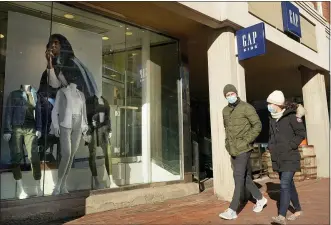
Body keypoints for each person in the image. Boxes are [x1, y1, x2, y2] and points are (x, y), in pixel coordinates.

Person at [219, 84, 267, 220]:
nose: (230, 96)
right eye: (227, 95)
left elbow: (257, 125)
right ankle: (260, 199)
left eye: (232, 93)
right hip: (232, 149)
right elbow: (227, 129)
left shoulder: (246, 107)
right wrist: (227, 144)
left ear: (236, 93)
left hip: (243, 149)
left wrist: (246, 141)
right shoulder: (225, 111)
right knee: (244, 177)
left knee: (238, 177)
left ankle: (232, 209)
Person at [266, 90, 306, 225]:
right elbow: (272, 136)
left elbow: (301, 133)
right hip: (278, 158)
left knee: (284, 184)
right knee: (289, 184)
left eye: (270, 103)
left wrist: (290, 145)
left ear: (277, 104)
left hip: (290, 156)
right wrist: (270, 147)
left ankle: (281, 216)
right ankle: (298, 210)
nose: (268, 105)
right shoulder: (272, 118)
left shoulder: (291, 116)